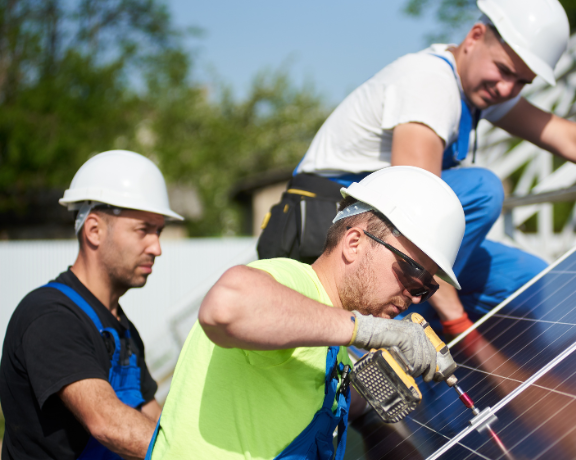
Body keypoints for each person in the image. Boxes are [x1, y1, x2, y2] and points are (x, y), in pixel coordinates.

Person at [269, 0, 576, 338]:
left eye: (521, 82)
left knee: (532, 283)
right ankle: (398, 333)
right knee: (480, 188)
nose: (507, 88)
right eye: (503, 71)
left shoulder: (479, 87)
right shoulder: (429, 81)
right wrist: (456, 320)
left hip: (388, 236)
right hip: (340, 237)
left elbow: (566, 136)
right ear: (475, 36)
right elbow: (414, 213)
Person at [147, 166, 466, 460]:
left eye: (426, 287)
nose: (414, 295)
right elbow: (225, 306)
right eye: (410, 271)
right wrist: (374, 330)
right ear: (354, 242)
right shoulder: (292, 282)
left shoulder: (333, 346)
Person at [0, 150, 184, 459]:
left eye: (159, 231)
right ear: (94, 230)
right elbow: (107, 422)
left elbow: (155, 421)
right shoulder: (51, 317)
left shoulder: (122, 330)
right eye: (144, 230)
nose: (157, 247)